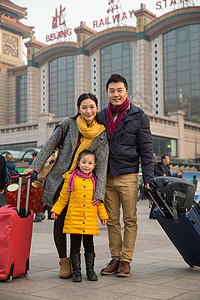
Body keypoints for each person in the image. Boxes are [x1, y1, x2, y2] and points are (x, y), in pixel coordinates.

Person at [24, 93, 109, 279]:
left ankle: (78, 263)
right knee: (60, 222)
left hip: (83, 185)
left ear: (97, 108)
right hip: (59, 180)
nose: (88, 111)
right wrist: (34, 167)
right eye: (84, 107)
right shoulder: (68, 124)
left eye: (92, 107)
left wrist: (99, 193)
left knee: (80, 226)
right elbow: (49, 145)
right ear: (78, 109)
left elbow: (101, 167)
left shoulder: (102, 133)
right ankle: (64, 261)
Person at [98, 73, 154, 277]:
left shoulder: (139, 116)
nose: (116, 94)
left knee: (130, 219)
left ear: (126, 91)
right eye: (112, 90)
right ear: (107, 93)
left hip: (129, 175)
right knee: (112, 220)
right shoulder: (101, 115)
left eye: (119, 90)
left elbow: (146, 150)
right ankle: (115, 257)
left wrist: (148, 178)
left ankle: (126, 260)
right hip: (106, 176)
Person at [51, 150, 108, 282]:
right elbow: (63, 198)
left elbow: (98, 201)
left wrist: (103, 216)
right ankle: (76, 271)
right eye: (83, 162)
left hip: (89, 220)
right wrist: (56, 210)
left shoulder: (95, 181)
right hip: (74, 220)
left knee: (89, 245)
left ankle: (90, 270)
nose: (86, 166)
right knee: (75, 245)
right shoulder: (70, 178)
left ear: (94, 166)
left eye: (90, 163)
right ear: (78, 163)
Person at [149, 154, 171, 219]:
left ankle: (156, 214)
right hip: (159, 185)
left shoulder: (167, 168)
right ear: (163, 159)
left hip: (165, 186)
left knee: (161, 200)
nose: (168, 160)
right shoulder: (158, 165)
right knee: (157, 199)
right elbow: (154, 170)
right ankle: (152, 214)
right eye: (167, 159)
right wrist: (162, 174)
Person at [29, 151, 44, 222]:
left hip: (36, 183)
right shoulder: (43, 161)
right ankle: (41, 214)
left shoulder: (34, 163)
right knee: (40, 200)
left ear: (34, 156)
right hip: (42, 182)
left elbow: (33, 174)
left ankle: (39, 216)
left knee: (36, 200)